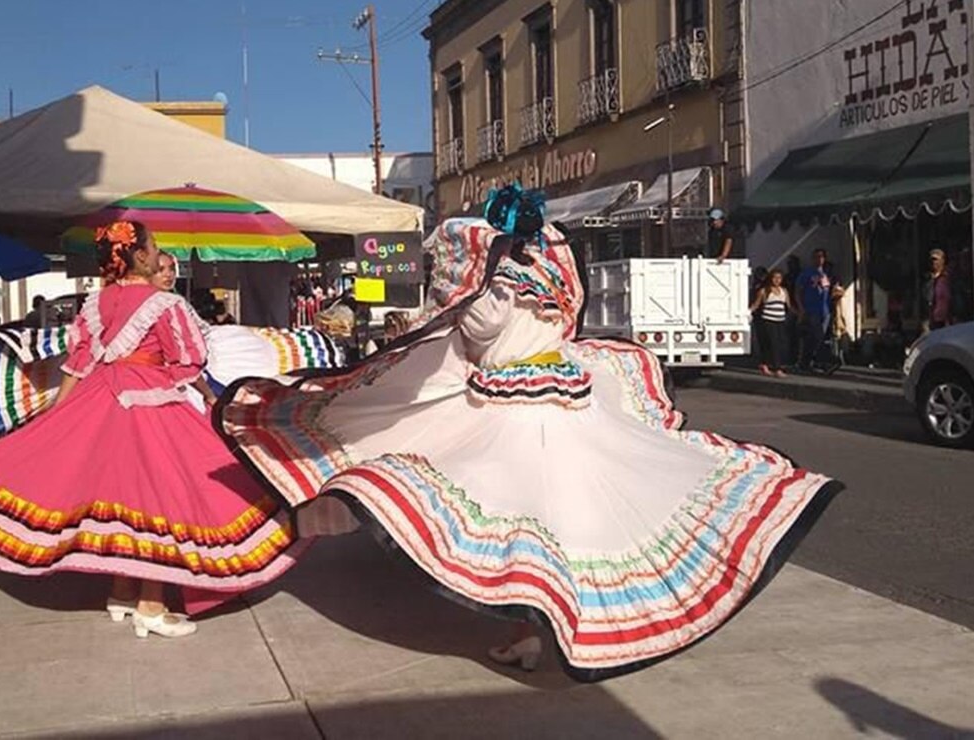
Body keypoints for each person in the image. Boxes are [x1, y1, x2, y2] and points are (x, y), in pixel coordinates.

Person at [218, 185, 841, 681]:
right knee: (581, 514)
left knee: (520, 518)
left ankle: (531, 628)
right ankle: (541, 628)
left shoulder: (491, 292)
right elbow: (561, 326)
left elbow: (475, 333)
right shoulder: (554, 277)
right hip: (568, 394)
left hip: (513, 407)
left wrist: (444, 310)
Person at [0, 220, 306, 639]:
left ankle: (122, 592)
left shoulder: (96, 304)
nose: (158, 252)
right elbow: (188, 360)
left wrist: (58, 413)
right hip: (150, 403)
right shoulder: (164, 303)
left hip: (100, 399)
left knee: (120, 495)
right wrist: (199, 393)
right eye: (154, 246)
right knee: (161, 501)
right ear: (142, 256)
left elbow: (77, 363)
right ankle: (151, 606)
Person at [795, 249, 837, 371]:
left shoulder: (826, 274)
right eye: (816, 257)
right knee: (819, 336)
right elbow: (798, 291)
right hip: (812, 309)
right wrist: (801, 308)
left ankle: (805, 362)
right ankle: (825, 361)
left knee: (812, 338)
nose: (819, 259)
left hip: (825, 309)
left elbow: (831, 290)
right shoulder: (807, 273)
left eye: (821, 257)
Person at [750, 269, 796, 376]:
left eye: (779, 278)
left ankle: (764, 363)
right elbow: (756, 305)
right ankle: (777, 368)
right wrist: (747, 312)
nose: (777, 280)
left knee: (777, 344)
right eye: (775, 277)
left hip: (780, 320)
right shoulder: (764, 291)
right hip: (768, 321)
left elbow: (789, 306)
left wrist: (799, 314)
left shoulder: (784, 291)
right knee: (774, 344)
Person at [924, 249, 953, 331]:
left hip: (945, 320)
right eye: (931, 260)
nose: (933, 262)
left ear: (942, 261)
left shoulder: (948, 278)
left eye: (936, 259)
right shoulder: (929, 280)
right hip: (932, 318)